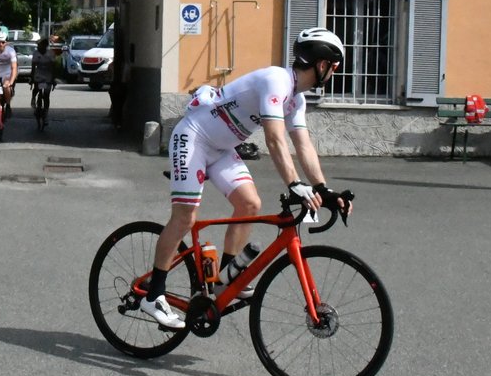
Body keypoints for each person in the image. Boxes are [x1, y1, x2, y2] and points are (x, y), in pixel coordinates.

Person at [139, 27, 352, 330]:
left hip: (221, 149)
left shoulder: (296, 101)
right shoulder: (276, 80)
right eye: (334, 67)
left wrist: (323, 189)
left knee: (250, 204)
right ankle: (154, 293)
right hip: (194, 138)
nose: (333, 73)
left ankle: (224, 278)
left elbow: (303, 144)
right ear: (322, 65)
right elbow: (275, 139)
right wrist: (294, 184)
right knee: (185, 217)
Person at [29, 37, 57, 132]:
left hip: (48, 75)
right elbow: (33, 66)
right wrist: (32, 78)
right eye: (38, 46)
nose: (38, 47)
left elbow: (54, 67)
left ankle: (46, 113)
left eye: (40, 45)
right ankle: (33, 98)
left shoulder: (51, 54)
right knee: (37, 88)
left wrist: (53, 79)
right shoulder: (36, 53)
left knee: (46, 95)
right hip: (39, 74)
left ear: (45, 46)